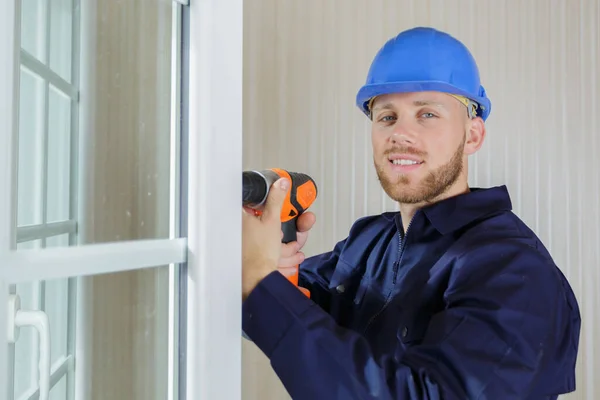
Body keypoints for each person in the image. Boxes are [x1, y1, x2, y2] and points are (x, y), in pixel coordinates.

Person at [241, 26, 581, 400]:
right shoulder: (368, 242)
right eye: (387, 117)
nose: (400, 134)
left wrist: (260, 284)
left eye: (427, 114)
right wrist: (272, 265)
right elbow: (281, 304)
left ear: (472, 136)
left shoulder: (515, 271)